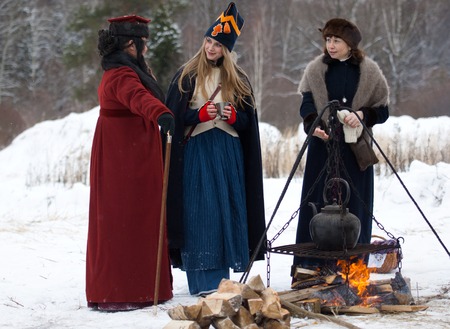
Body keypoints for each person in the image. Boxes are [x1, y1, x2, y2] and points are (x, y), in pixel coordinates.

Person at [165, 2, 266, 296]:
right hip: (197, 156)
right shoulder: (186, 75)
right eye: (209, 41)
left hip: (228, 157)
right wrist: (198, 115)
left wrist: (234, 116)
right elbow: (172, 117)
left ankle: (224, 282)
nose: (211, 48)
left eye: (218, 44)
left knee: (225, 213)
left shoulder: (239, 80)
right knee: (200, 215)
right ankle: (203, 283)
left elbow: (248, 124)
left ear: (227, 50)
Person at [86, 14, 174, 311]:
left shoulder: (126, 68)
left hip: (129, 155)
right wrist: (160, 113)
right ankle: (122, 291)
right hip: (123, 160)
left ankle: (136, 287)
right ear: (130, 45)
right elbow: (137, 98)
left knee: (135, 219)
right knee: (124, 221)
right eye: (143, 43)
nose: (146, 49)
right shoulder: (121, 75)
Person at [293, 18, 390, 273]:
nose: (331, 45)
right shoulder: (316, 69)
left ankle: (352, 269)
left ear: (350, 44)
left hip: (355, 150)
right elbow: (306, 105)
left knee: (355, 205)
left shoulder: (369, 72)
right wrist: (315, 125)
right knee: (317, 204)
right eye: (327, 40)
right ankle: (311, 268)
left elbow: (382, 110)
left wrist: (362, 115)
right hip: (322, 150)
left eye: (336, 40)